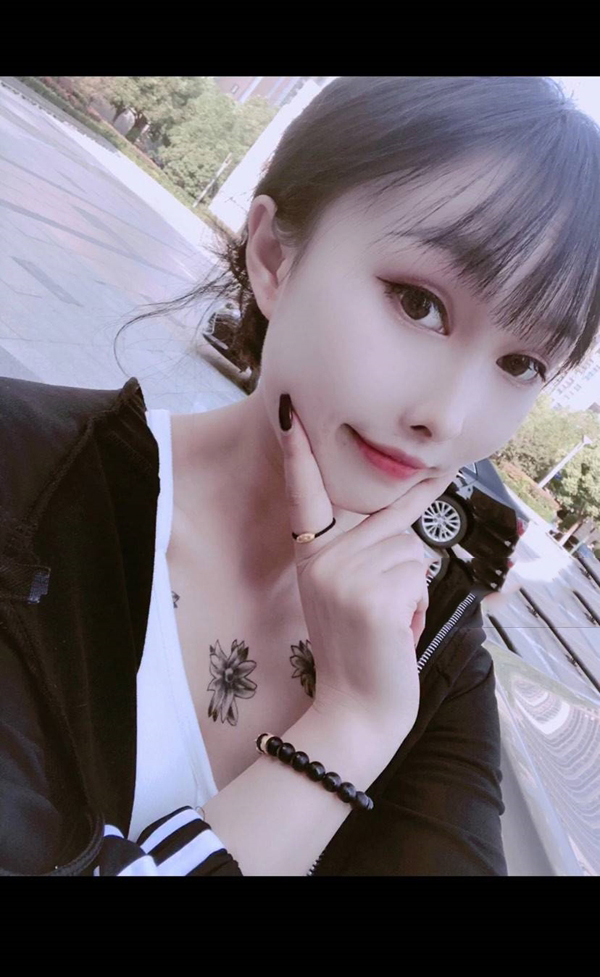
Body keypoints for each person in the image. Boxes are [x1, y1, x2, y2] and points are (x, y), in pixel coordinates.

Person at [1, 76, 600, 877]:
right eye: (418, 303)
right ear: (275, 258)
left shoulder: (438, 654)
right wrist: (349, 726)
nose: (449, 418)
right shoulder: (26, 477)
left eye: (521, 363)